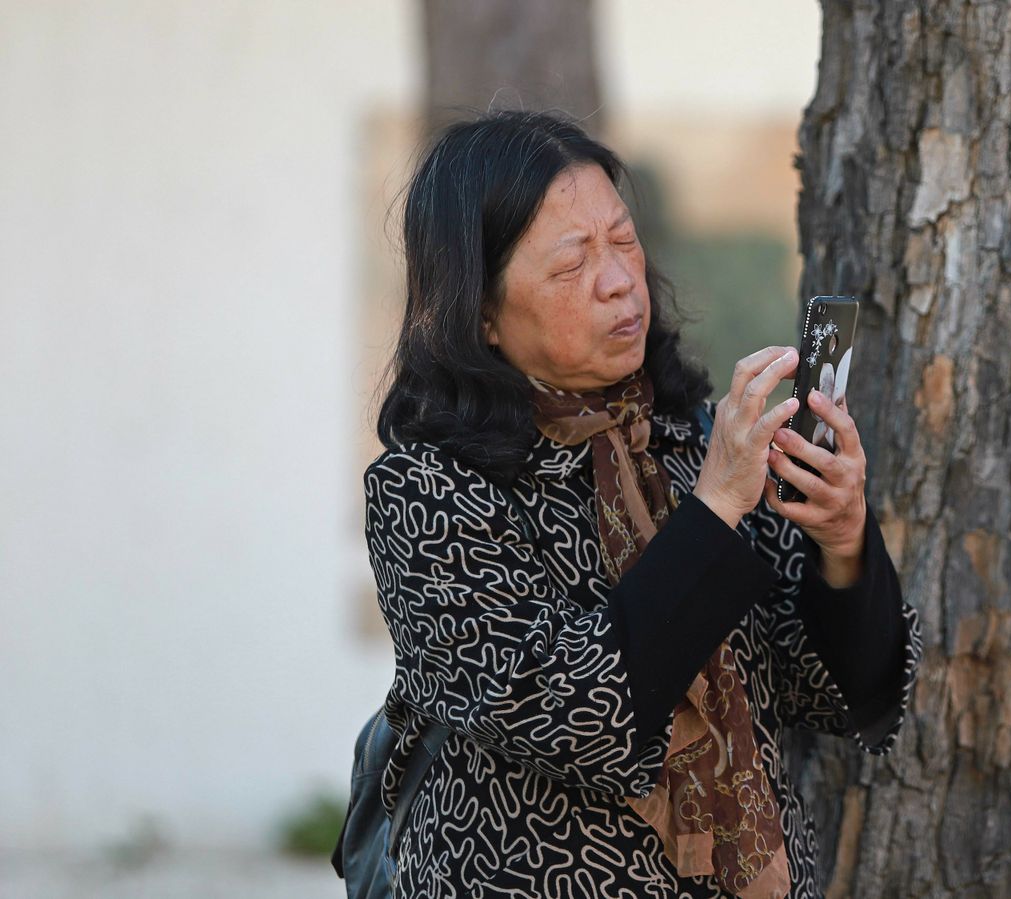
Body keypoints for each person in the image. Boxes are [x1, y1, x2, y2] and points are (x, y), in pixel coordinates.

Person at [363, 109, 922, 898]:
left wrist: (843, 545)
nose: (620, 280)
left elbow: (839, 692)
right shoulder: (427, 490)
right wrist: (715, 508)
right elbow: (577, 716)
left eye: (623, 241)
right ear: (481, 312)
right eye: (571, 264)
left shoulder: (687, 438)